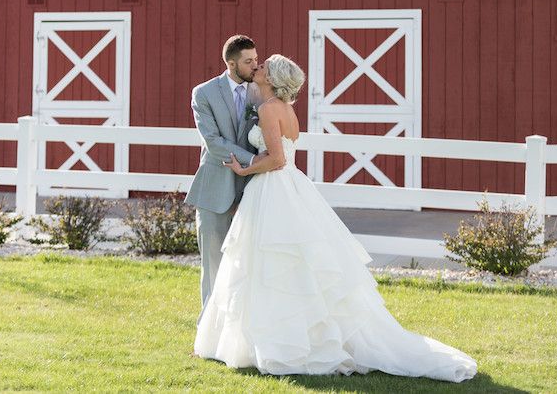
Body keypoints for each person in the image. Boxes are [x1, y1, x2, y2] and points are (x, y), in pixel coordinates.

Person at [194, 54, 477, 382]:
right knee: (288, 263)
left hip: (273, 187)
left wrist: (245, 167)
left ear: (271, 79)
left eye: (262, 67)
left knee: (271, 262)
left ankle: (280, 342)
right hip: (290, 189)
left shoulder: (270, 109)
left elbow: (277, 159)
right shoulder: (286, 109)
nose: (257, 69)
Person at [186, 34, 267, 312]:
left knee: (248, 269)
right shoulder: (204, 93)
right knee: (213, 268)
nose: (256, 66)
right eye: (249, 61)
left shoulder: (260, 92)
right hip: (214, 191)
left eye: (256, 59)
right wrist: (256, 159)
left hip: (252, 191)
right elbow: (214, 143)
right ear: (231, 64)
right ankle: (207, 336)